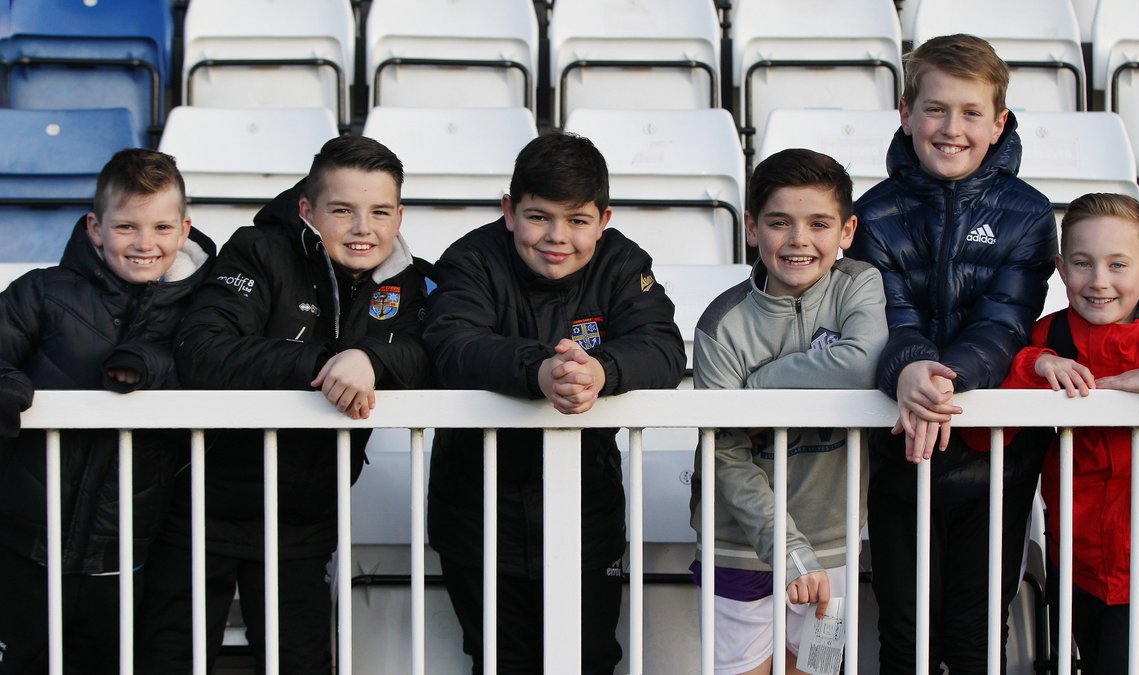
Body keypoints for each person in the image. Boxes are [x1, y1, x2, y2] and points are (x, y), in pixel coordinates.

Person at [137, 135, 433, 674]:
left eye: (380, 212)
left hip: (303, 519)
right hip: (200, 508)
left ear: (400, 215)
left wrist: (371, 360)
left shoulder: (409, 281)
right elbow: (201, 352)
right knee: (172, 660)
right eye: (342, 210)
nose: (363, 228)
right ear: (307, 209)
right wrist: (323, 363)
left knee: (300, 663)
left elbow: (437, 352)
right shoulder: (258, 249)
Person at [422, 132, 686, 675]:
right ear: (508, 210)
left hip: (588, 514)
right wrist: (540, 371)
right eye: (539, 217)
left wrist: (600, 371)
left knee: (589, 660)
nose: (557, 237)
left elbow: (662, 345)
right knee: (500, 663)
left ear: (604, 218)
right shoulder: (471, 259)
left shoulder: (623, 263)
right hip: (476, 515)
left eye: (578, 220)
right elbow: (451, 343)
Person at [846, 34, 1058, 673]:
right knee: (904, 637)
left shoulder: (1028, 214)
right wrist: (909, 366)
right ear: (906, 112)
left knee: (975, 635)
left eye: (970, 113)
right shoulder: (873, 215)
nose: (951, 128)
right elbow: (885, 316)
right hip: (896, 451)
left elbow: (1005, 324)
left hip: (996, 460)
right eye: (935, 109)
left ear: (999, 124)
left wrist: (942, 380)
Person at [0, 148, 215, 673]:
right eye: (127, 227)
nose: (146, 244)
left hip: (126, 549)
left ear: (185, 228)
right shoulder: (42, 292)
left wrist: (153, 365)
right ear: (95, 228)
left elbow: (210, 364)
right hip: (24, 542)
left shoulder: (199, 310)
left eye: (163, 226)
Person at [687, 148, 888, 675]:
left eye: (819, 223)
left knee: (818, 668)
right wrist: (787, 549)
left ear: (846, 232)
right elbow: (725, 453)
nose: (799, 239)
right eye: (780, 222)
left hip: (834, 542)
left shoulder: (858, 284)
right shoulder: (721, 324)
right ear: (752, 228)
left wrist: (758, 390)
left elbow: (865, 364)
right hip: (740, 544)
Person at [991, 193, 1139, 675]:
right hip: (1075, 559)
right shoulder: (1051, 337)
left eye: (1118, 264)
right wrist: (1035, 363)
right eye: (1083, 264)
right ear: (1061, 269)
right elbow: (992, 407)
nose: (1099, 282)